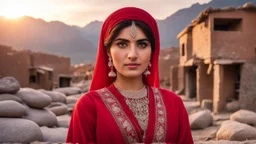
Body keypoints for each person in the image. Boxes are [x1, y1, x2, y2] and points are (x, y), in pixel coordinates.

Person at [66, 7, 193, 144]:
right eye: (122, 44)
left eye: (142, 44)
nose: (132, 54)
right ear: (108, 52)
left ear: (152, 51)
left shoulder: (174, 104)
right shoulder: (89, 106)